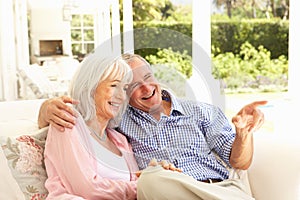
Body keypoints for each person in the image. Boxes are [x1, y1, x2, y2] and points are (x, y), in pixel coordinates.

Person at [39, 53, 267, 199]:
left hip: (218, 189)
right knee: (153, 180)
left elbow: (239, 162)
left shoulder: (201, 111)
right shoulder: (118, 123)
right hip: (165, 193)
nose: (147, 89)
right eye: (133, 86)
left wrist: (243, 135)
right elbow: (78, 120)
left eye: (148, 77)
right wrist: (46, 108)